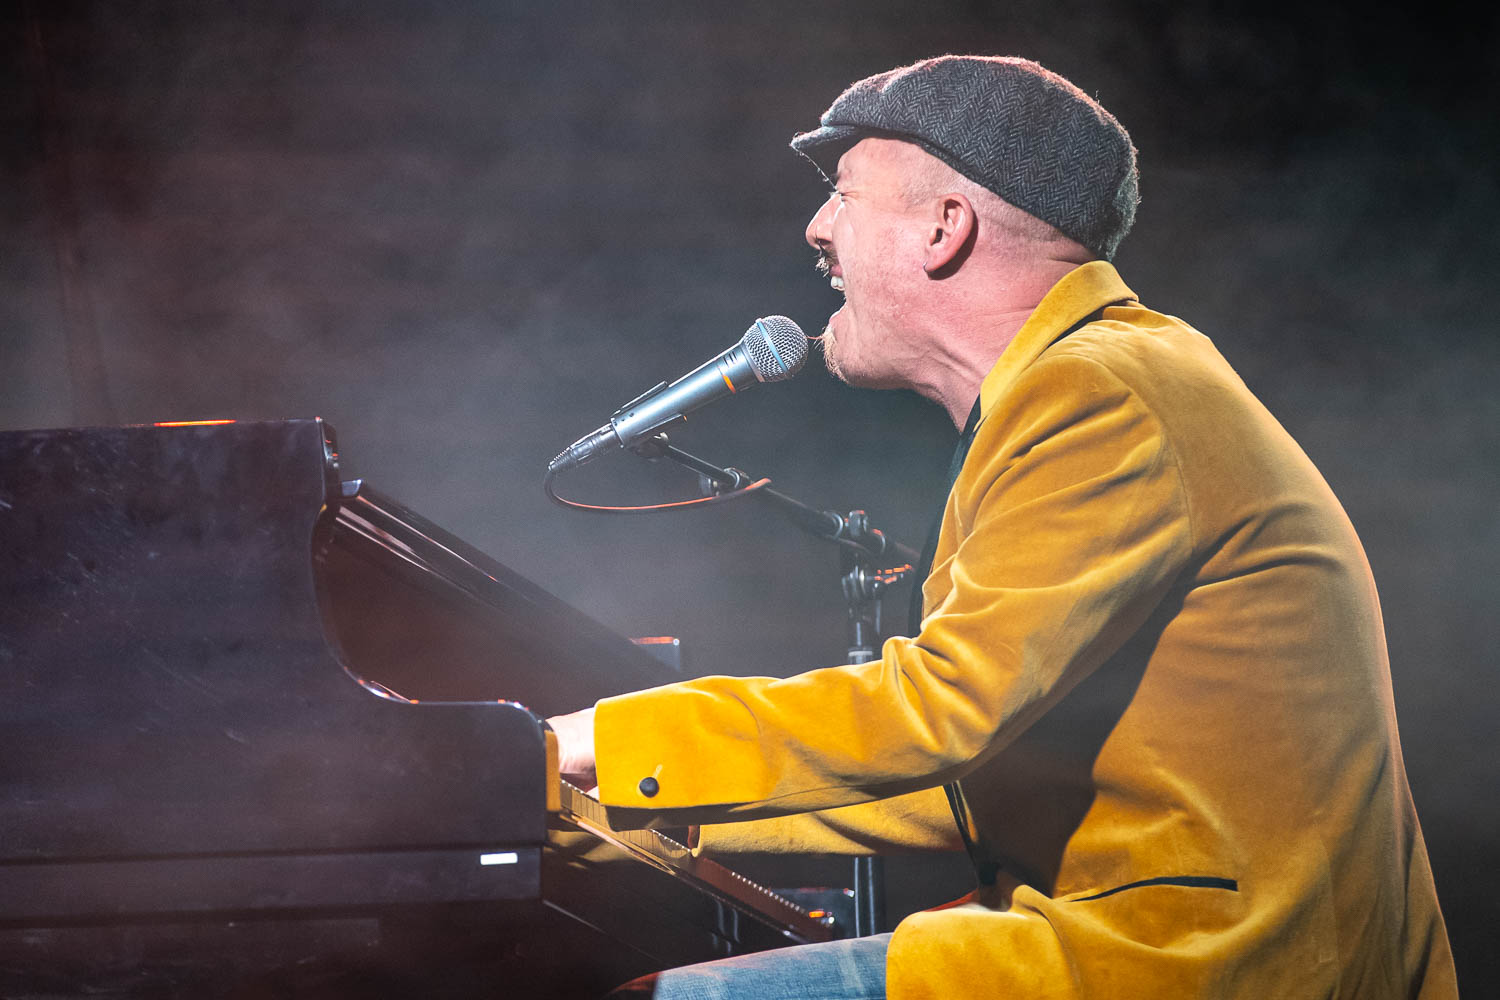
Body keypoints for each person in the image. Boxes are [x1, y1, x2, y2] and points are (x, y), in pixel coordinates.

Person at [546, 55, 1457, 999]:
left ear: (947, 227)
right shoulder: (1102, 378)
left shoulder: (1099, 393)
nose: (815, 229)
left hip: (1200, 964)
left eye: (844, 193)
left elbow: (935, 713)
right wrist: (613, 809)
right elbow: (967, 779)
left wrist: (592, 745)